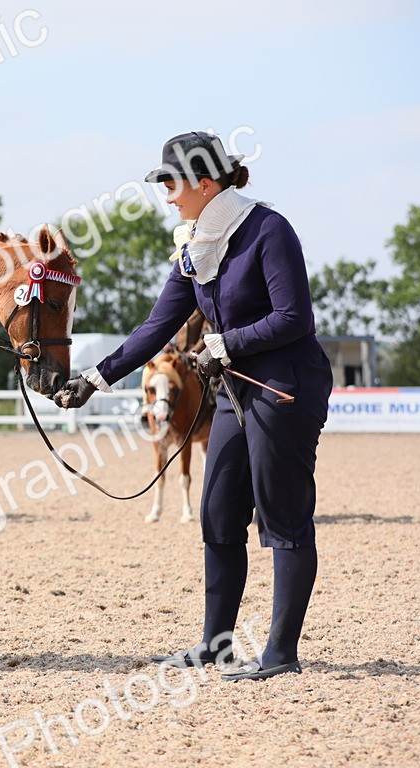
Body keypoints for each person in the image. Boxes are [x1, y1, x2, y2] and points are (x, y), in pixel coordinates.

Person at [57, 132, 333, 681]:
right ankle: (217, 645)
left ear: (205, 185)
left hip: (284, 387)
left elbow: (293, 317)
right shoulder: (197, 244)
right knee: (218, 513)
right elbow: (159, 325)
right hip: (233, 389)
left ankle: (281, 653)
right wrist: (96, 376)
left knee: (283, 516)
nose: (163, 193)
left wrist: (225, 344)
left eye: (169, 182)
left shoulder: (267, 231)